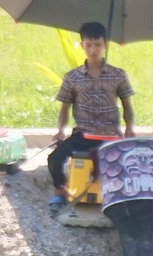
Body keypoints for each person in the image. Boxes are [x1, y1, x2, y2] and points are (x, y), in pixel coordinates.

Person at [48, 21, 135, 215]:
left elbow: (127, 105)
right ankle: (59, 192)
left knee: (128, 164)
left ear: (105, 45)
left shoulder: (118, 75)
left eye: (97, 44)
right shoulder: (72, 77)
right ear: (82, 45)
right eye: (88, 45)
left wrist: (130, 127)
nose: (93, 49)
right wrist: (60, 130)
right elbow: (65, 107)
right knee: (54, 159)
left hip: (111, 136)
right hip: (83, 135)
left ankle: (122, 199)